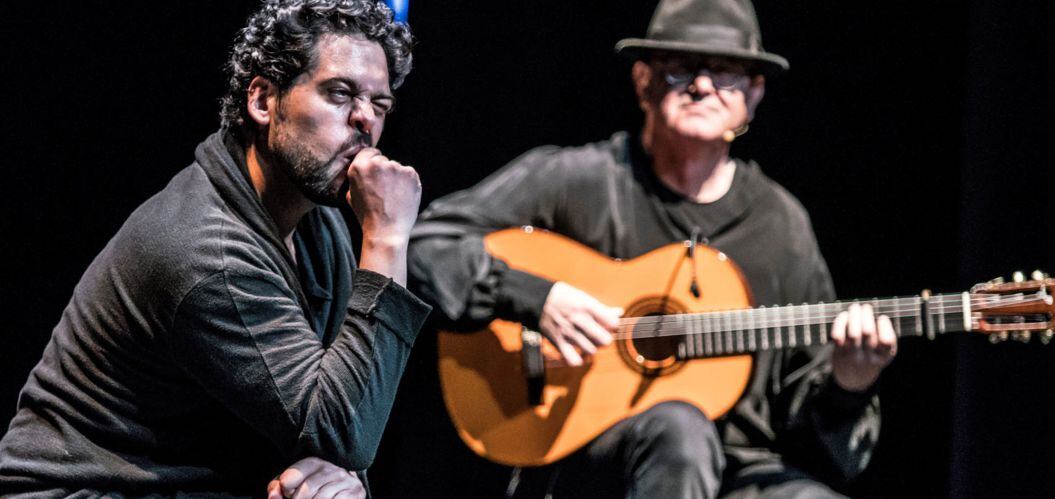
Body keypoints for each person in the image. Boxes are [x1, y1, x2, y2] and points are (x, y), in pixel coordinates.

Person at [400, 0, 897, 497]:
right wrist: (538, 298)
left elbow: (813, 433)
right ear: (643, 80)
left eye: (724, 72)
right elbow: (424, 243)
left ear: (754, 92)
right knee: (680, 430)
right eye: (681, 69)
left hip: (742, 471)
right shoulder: (582, 180)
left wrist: (848, 387)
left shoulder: (780, 223)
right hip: (599, 459)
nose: (703, 86)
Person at [0, 0, 429, 496]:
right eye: (339, 93)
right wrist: (388, 238)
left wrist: (346, 479)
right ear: (263, 101)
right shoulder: (209, 251)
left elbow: (350, 410)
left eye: (380, 106)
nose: (364, 122)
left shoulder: (321, 224)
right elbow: (344, 428)